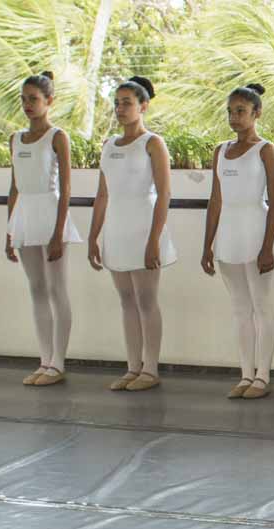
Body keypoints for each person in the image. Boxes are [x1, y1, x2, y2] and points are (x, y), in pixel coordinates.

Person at [87, 75, 177, 392]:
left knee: (146, 299)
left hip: (143, 226)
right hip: (117, 228)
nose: (120, 109)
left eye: (127, 103)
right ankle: (132, 366)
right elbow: (102, 194)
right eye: (117, 103)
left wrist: (154, 240)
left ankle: (150, 369)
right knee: (126, 300)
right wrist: (93, 237)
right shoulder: (109, 145)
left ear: (143, 106)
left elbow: (164, 194)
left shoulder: (152, 143)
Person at [201, 83, 274, 400]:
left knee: (262, 306)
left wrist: (267, 247)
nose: (234, 117)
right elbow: (215, 200)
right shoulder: (220, 151)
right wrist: (207, 245)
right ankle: (246, 373)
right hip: (229, 235)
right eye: (230, 112)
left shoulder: (266, 150)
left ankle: (262, 375)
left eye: (241, 111)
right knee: (240, 309)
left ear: (256, 113)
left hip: (256, 230)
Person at [7, 71, 80, 387]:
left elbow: (66, 187)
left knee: (56, 288)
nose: (27, 104)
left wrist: (58, 231)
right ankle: (44, 359)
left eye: (34, 99)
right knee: (36, 288)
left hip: (50, 213)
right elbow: (14, 187)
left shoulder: (57, 137)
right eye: (24, 99)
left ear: (49, 101)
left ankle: (58, 362)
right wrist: (10, 230)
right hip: (24, 215)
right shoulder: (15, 139)